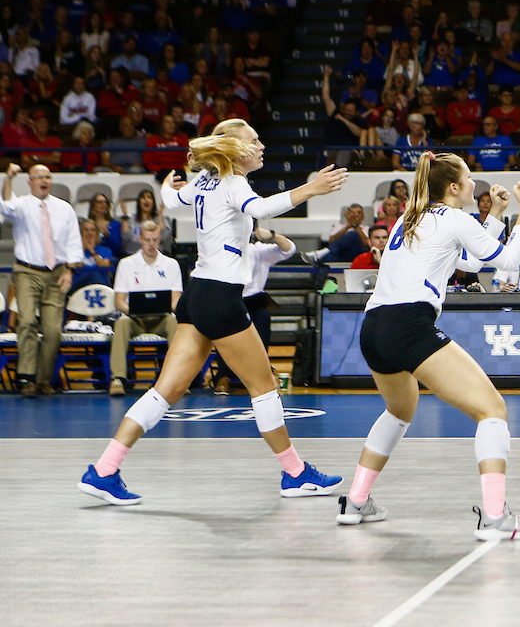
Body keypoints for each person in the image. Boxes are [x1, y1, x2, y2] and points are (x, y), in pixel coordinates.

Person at [77, 120, 349, 506]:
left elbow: (171, 202)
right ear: (236, 152)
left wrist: (164, 187)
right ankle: (295, 474)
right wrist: (311, 189)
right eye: (254, 141)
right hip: (221, 298)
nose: (260, 146)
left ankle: (104, 470)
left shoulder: (204, 180)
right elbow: (263, 209)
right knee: (264, 388)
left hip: (196, 294)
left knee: (164, 392)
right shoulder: (234, 183)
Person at [337, 151, 520, 539]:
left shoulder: (410, 217)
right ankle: (496, 517)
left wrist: (495, 216)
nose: (474, 185)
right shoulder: (454, 218)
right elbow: (508, 261)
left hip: (374, 325)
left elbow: (469, 260)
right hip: (409, 323)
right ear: (452, 187)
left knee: (400, 409)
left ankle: (357, 501)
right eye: (469, 179)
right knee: (493, 409)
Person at [2, 164, 85, 397]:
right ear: (29, 182)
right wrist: (8, 178)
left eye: (47, 176)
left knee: (53, 331)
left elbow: (73, 244)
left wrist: (69, 270)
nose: (44, 180)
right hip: (27, 272)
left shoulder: (64, 208)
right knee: (27, 321)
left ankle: (43, 380)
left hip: (57, 273)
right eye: (38, 177)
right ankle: (27, 378)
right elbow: (5, 205)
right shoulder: (22, 205)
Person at [213, 226, 296, 395]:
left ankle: (262, 372)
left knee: (263, 316)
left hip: (254, 303)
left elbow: (289, 249)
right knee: (221, 318)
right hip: (228, 302)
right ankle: (224, 376)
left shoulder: (258, 250)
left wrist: (272, 235)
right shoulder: (219, 249)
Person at [108, 221, 183, 398]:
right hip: (135, 319)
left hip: (162, 319)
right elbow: (119, 302)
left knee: (173, 321)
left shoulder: (171, 264)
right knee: (122, 323)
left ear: (160, 240)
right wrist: (133, 311)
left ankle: (175, 379)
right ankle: (117, 379)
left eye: (155, 240)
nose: (151, 244)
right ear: (140, 239)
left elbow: (176, 299)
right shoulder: (126, 264)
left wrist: (164, 309)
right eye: (148, 240)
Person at [302, 203, 369, 265]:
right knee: (329, 256)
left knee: (353, 234)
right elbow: (331, 242)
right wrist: (347, 227)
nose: (355, 215)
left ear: (363, 216)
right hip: (340, 255)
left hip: (358, 254)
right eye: (353, 213)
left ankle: (322, 252)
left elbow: (366, 244)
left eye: (359, 213)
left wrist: (355, 226)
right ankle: (315, 260)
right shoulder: (338, 227)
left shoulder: (367, 228)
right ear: (347, 215)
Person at [74, 218, 115, 291]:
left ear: (96, 233)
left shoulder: (105, 250)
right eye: (86, 230)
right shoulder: (75, 250)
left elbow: (104, 268)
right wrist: (82, 248)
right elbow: (78, 266)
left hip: (100, 285)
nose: (89, 233)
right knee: (93, 274)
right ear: (81, 232)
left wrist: (92, 251)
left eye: (92, 230)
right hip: (79, 285)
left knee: (95, 274)